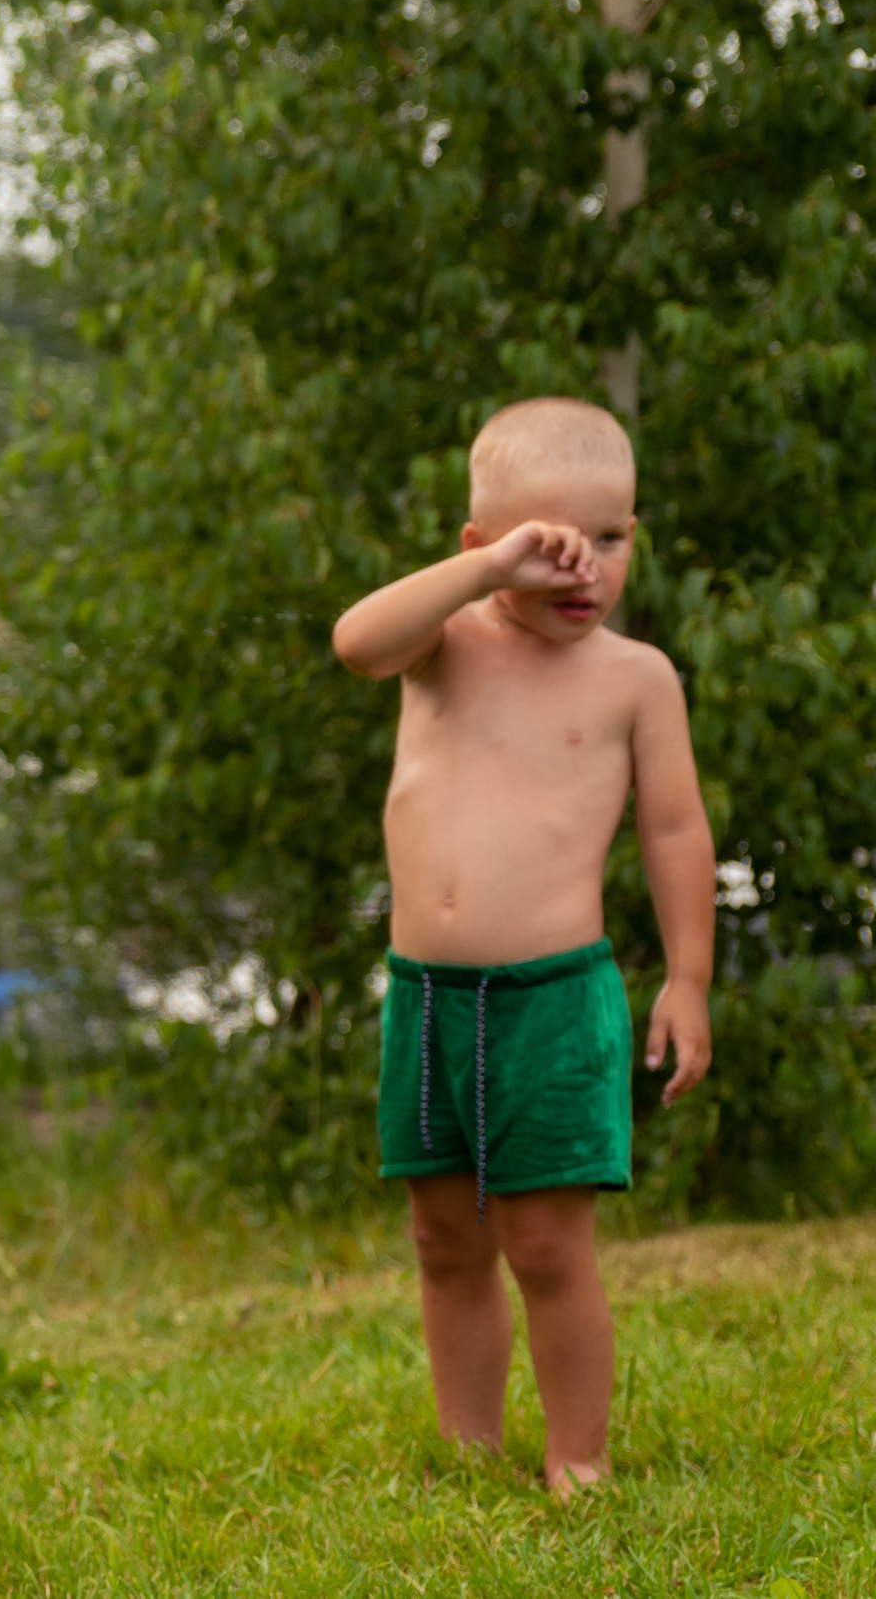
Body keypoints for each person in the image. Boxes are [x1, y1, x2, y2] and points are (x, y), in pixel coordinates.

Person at [331, 396, 716, 1496]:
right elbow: (355, 642)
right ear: (481, 547)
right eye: (550, 543)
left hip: (552, 1001)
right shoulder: (443, 643)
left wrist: (687, 979)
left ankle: (577, 1459)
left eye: (611, 536)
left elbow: (675, 830)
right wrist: (488, 573)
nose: (582, 565)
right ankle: (469, 1441)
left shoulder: (634, 677)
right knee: (442, 1238)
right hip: (427, 1000)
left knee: (546, 1246)